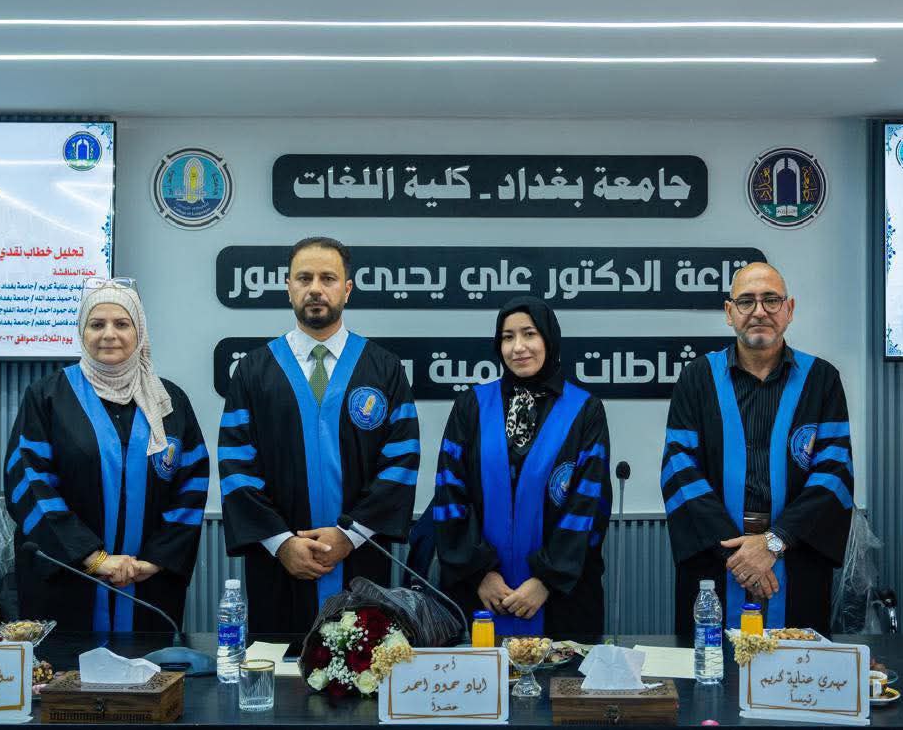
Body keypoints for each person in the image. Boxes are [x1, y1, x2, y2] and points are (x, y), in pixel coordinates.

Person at [219, 237, 419, 633]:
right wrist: (281, 543)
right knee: (277, 662)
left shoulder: (384, 369)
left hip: (361, 560)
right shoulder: (253, 371)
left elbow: (401, 460)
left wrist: (350, 535)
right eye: (304, 278)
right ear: (288, 287)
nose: (315, 288)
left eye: (328, 278)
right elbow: (236, 465)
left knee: (363, 661)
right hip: (278, 566)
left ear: (347, 289)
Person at [660, 263, 853, 639]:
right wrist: (739, 555)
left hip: (796, 553)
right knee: (711, 666)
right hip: (716, 559)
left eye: (771, 300)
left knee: (797, 666)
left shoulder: (821, 380)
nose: (759, 311)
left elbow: (834, 473)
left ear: (789, 309)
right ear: (729, 312)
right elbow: (679, 469)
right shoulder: (697, 378)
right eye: (746, 301)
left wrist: (775, 541)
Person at [4, 279, 208, 632]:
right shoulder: (48, 397)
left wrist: (155, 560)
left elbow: (191, 485)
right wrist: (92, 557)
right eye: (97, 324)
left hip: (149, 586)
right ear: (82, 332)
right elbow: (29, 483)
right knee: (65, 667)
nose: (109, 334)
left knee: (151, 664)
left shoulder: (169, 402)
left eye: (122, 324)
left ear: (139, 331)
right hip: (67, 582)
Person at [432, 296, 611, 637]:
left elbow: (588, 504)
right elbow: (450, 492)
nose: (518, 347)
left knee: (560, 669)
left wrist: (546, 580)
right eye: (507, 337)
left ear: (549, 338)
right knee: (479, 670)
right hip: (481, 593)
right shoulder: (471, 406)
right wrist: (480, 573)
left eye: (529, 334)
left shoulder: (584, 411)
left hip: (559, 599)